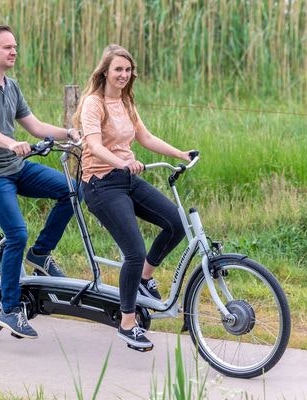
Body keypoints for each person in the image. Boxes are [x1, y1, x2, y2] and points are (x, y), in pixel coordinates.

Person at [0, 25, 80, 339]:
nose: (14, 52)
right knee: (16, 233)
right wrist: (11, 143)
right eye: (8, 47)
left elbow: (35, 126)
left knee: (72, 191)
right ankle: (9, 310)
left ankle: (39, 255)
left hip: (16, 167)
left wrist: (70, 134)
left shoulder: (12, 86)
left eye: (15, 47)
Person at [73, 44, 193, 350]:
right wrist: (121, 161)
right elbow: (95, 146)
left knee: (176, 223)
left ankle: (144, 278)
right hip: (101, 184)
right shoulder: (92, 104)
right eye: (118, 70)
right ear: (105, 72)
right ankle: (127, 323)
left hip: (126, 178)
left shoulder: (125, 102)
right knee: (134, 250)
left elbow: (146, 137)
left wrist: (181, 153)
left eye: (128, 70)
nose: (123, 75)